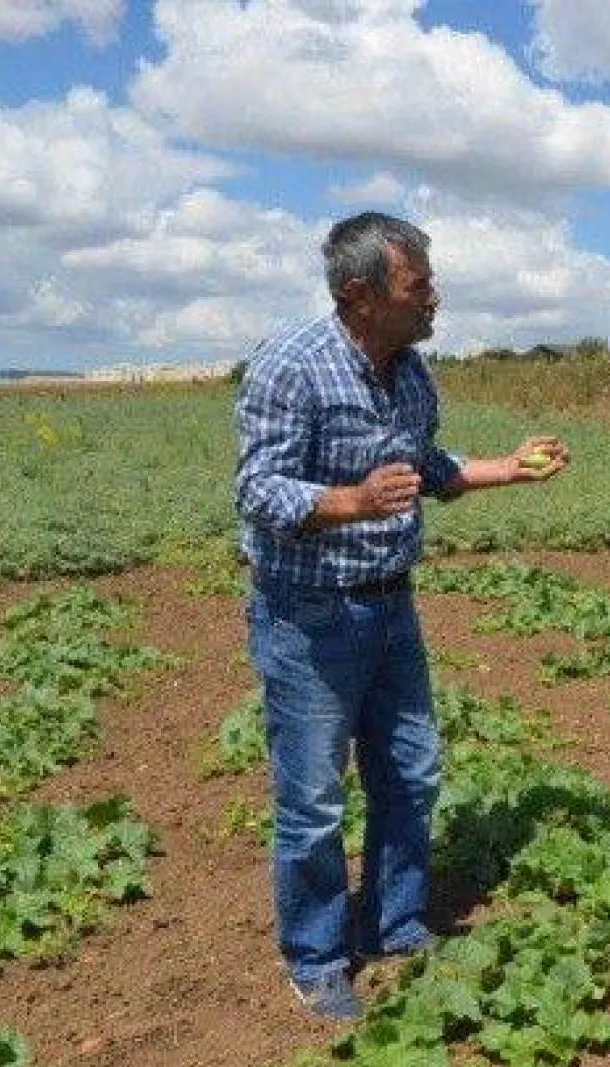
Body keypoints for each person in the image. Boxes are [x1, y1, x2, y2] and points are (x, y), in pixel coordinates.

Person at [235, 212, 568, 1021]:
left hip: (390, 609)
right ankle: (316, 957)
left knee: (410, 775)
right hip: (308, 617)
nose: (434, 299)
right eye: (418, 286)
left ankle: (395, 922)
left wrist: (513, 471)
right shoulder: (293, 366)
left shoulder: (413, 373)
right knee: (314, 797)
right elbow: (258, 491)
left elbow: (430, 471)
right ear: (360, 295)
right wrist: (350, 501)